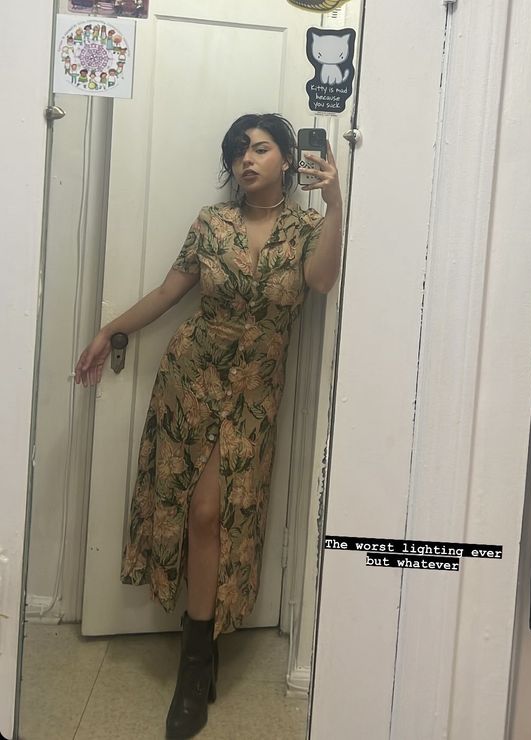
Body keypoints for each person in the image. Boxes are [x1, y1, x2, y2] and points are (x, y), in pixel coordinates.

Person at [74, 112, 343, 739]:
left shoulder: (307, 228)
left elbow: (321, 281)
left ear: (286, 160)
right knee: (197, 515)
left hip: (254, 392)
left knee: (218, 514)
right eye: (238, 151)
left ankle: (203, 649)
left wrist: (335, 203)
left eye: (261, 148)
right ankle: (195, 668)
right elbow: (169, 294)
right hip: (191, 380)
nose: (247, 159)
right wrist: (110, 330)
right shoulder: (211, 223)